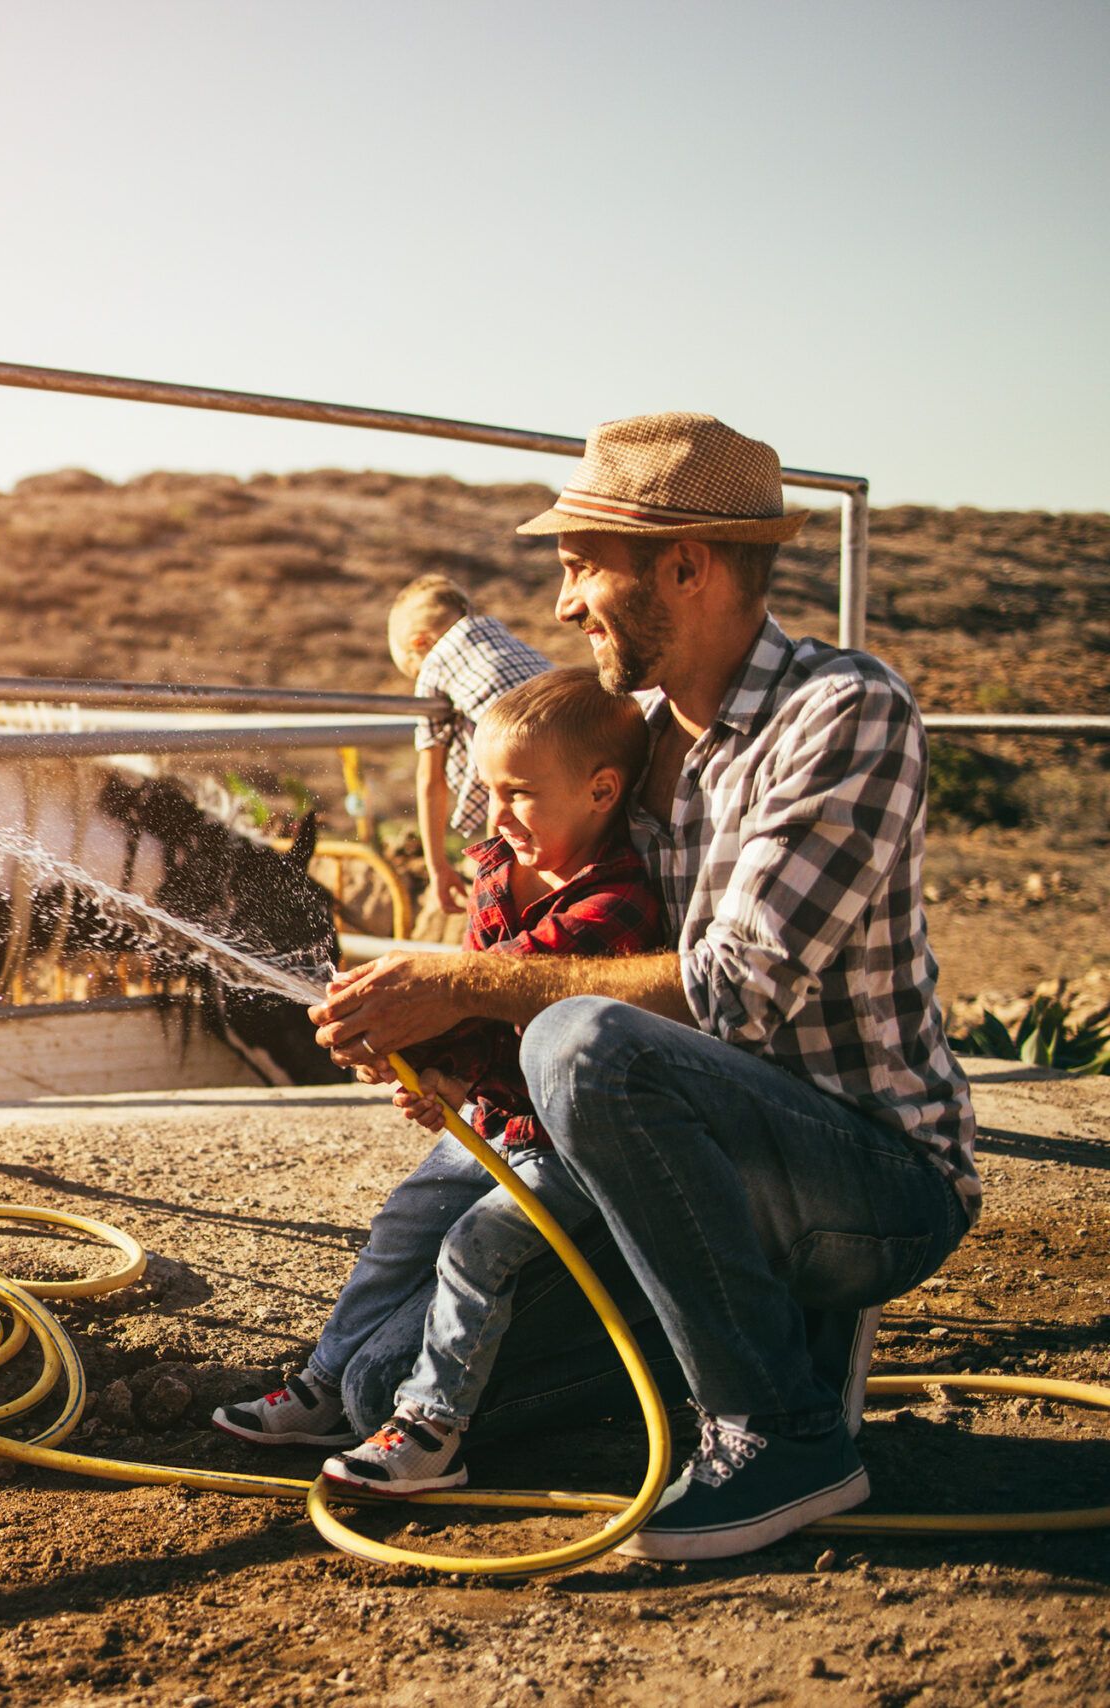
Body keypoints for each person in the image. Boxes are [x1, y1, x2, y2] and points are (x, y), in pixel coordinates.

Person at [309, 412, 977, 1559]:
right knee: (381, 1389)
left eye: (580, 569)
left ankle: (783, 1434)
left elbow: (738, 992)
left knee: (580, 1042)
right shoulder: (636, 733)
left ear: (686, 563)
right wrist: (438, 1031)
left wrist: (464, 977)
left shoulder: (845, 715)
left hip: (869, 1178)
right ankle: (722, 1338)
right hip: (674, 1161)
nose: (564, 604)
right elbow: (519, 852)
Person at [212, 669, 662, 1494]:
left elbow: (517, 991)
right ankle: (323, 1381)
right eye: (489, 791)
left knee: (477, 1245)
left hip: (573, 1142)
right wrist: (447, 1076)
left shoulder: (617, 907)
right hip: (503, 1121)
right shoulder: (499, 869)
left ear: (602, 791)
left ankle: (432, 1427)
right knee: (405, 1219)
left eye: (520, 793)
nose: (495, 817)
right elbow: (483, 1013)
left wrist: (436, 1022)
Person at [387, 576, 551, 919]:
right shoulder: (501, 637)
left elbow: (430, 781)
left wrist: (438, 867)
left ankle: (496, 911)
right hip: (569, 744)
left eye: (410, 670)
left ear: (420, 643)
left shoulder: (436, 665)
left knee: (500, 866)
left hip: (522, 757)